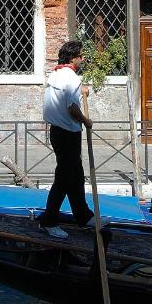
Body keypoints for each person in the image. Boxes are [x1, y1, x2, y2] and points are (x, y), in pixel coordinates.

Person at [37, 40, 94, 239]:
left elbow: (66, 94)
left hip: (56, 132)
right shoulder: (72, 79)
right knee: (64, 178)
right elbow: (71, 108)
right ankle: (49, 221)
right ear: (73, 58)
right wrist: (86, 121)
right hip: (69, 133)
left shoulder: (55, 74)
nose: (83, 59)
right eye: (81, 55)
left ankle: (83, 215)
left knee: (75, 174)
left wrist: (81, 90)